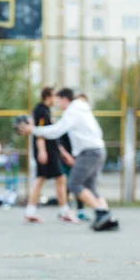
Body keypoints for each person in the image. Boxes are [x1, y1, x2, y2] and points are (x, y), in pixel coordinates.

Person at [18, 88, 119, 232]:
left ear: (65, 99)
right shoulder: (83, 110)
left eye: (59, 101)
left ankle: (102, 213)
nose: (58, 104)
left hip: (88, 152)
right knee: (90, 188)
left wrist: (32, 130)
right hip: (98, 149)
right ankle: (109, 218)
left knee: (74, 183)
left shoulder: (72, 111)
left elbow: (56, 131)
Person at [24, 87, 76, 223]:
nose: (56, 100)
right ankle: (63, 210)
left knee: (48, 179)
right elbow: (40, 132)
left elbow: (53, 134)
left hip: (52, 152)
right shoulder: (40, 110)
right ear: (47, 96)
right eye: (54, 96)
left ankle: (31, 211)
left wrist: (63, 153)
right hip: (47, 153)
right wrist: (42, 151)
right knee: (57, 178)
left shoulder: (46, 111)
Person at [58, 93, 90, 222]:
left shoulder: (86, 120)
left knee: (79, 184)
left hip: (79, 157)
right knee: (68, 184)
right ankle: (65, 210)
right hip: (67, 157)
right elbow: (59, 140)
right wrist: (66, 155)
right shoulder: (69, 118)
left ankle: (80, 210)